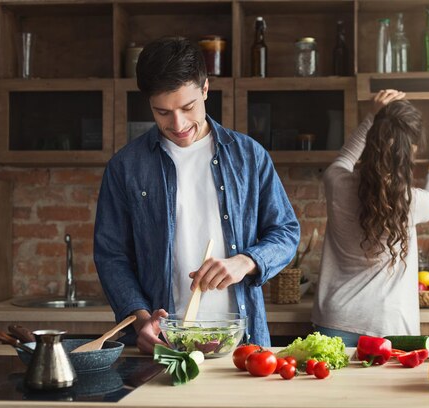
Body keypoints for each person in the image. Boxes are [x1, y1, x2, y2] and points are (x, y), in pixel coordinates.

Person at [94, 37, 300, 353]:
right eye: (162, 112)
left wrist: (245, 262)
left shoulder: (249, 156)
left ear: (205, 89)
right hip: (165, 346)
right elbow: (112, 256)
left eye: (188, 107)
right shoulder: (125, 167)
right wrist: (139, 318)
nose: (178, 124)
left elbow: (286, 232)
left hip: (243, 346)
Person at [311, 90, 429, 347]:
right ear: (408, 153)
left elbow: (345, 157)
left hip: (334, 321)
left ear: (372, 142)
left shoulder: (336, 182)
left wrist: (372, 115)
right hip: (388, 326)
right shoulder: (411, 202)